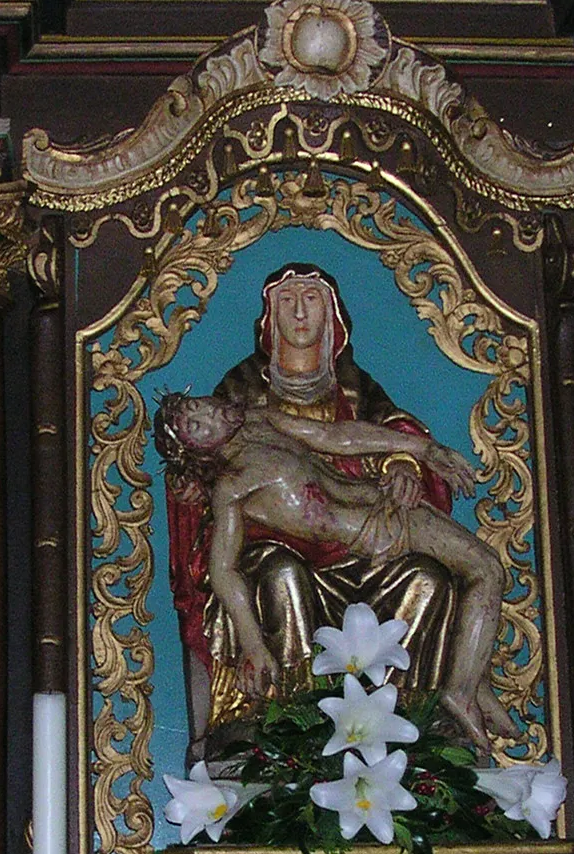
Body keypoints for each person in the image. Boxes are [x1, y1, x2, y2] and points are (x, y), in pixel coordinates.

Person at [163, 262, 508, 750]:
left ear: (334, 316)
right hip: (285, 549)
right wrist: (254, 645)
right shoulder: (235, 429)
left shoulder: (268, 416)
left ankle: (447, 698)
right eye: (287, 300)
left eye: (312, 299)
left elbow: (345, 436)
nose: (300, 312)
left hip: (378, 527)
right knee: (282, 577)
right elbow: (222, 569)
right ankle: (292, 724)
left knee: (439, 579)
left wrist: (409, 459)